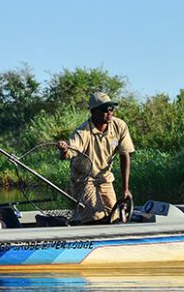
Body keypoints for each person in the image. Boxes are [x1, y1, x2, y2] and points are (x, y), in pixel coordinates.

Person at [57, 92, 135, 224]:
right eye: (105, 109)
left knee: (113, 216)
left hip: (105, 178)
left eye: (111, 108)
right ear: (93, 112)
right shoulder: (82, 132)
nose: (109, 112)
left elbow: (125, 155)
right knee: (95, 215)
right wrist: (64, 149)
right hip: (83, 179)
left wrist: (125, 189)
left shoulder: (119, 126)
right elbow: (69, 152)